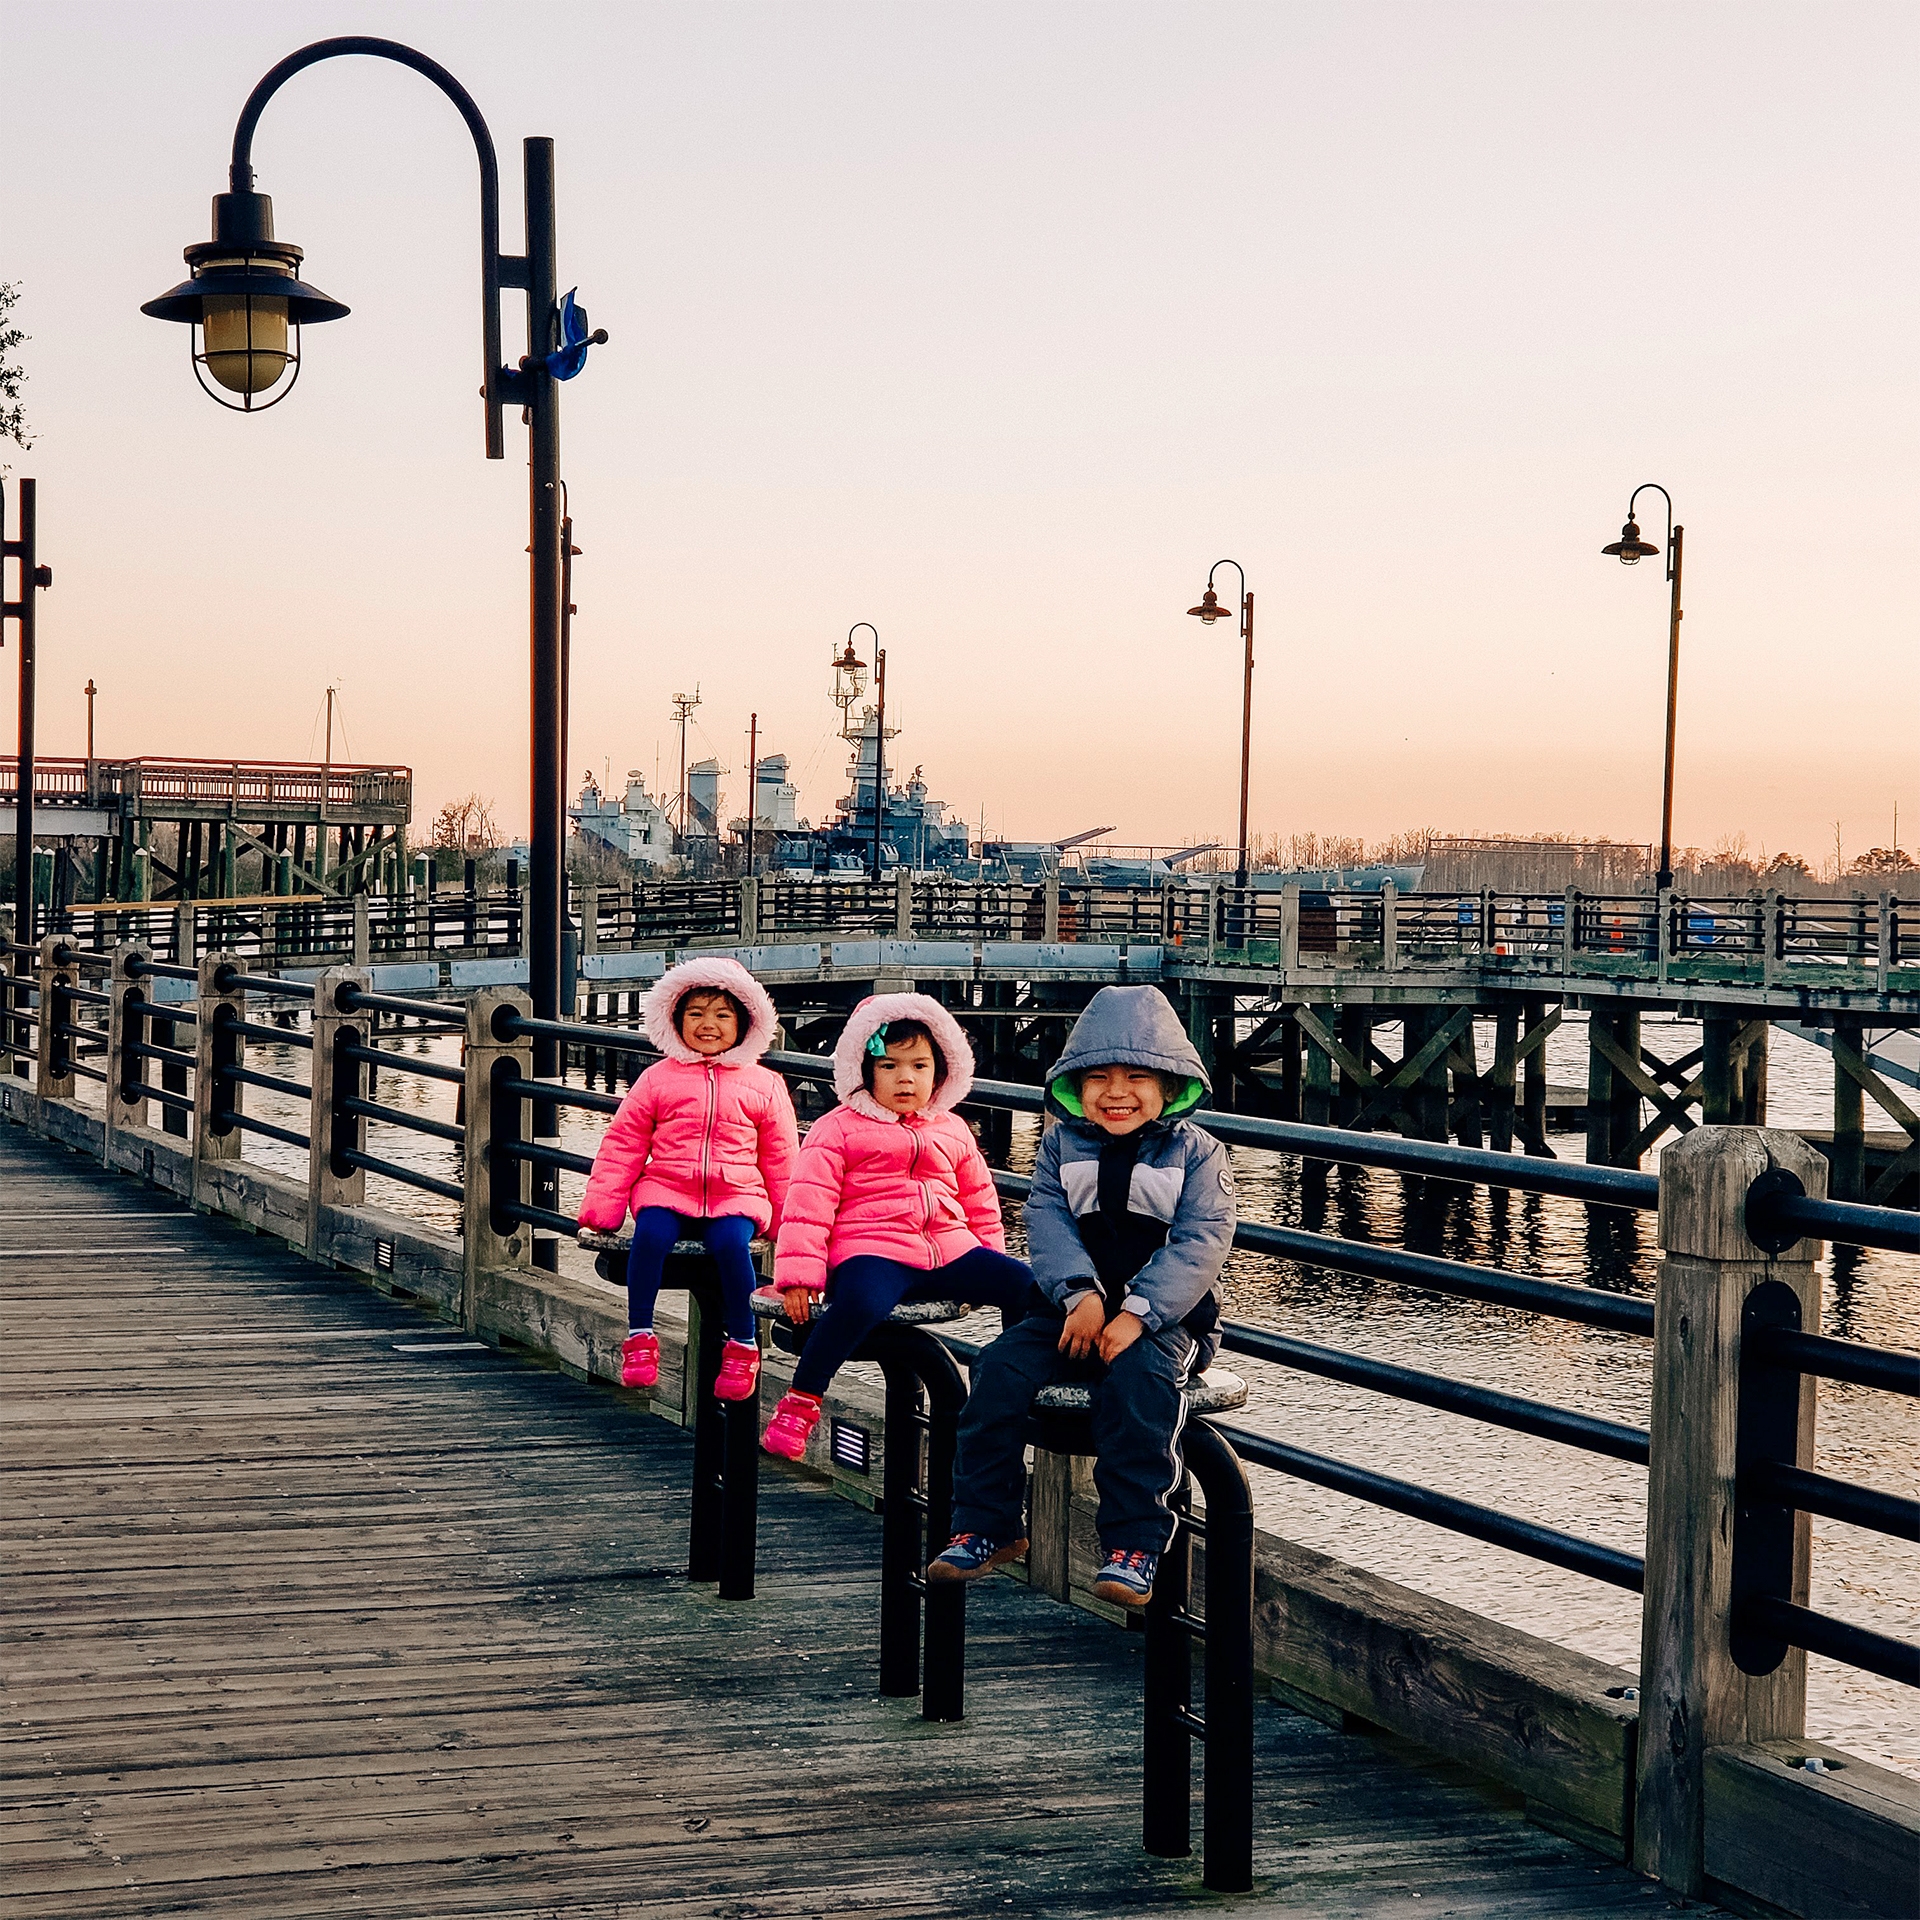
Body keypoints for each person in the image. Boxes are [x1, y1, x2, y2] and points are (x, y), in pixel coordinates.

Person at [929, 985, 1234, 1608]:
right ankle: (987, 1524)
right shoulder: (1062, 1145)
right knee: (995, 1370)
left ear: (1172, 1085)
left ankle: (1134, 1543)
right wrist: (1079, 1296)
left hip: (1164, 1324)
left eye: (1136, 1077)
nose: (1116, 1092)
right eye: (1098, 1077)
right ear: (1074, 1084)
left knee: (1140, 1390)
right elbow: (1047, 1223)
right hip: (1069, 1313)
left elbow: (1202, 1241)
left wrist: (1139, 1313)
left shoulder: (1197, 1154)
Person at [760, 993, 1032, 1460]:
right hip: (873, 1248)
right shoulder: (837, 1128)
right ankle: (801, 1400)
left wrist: (989, 1254)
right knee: (860, 1301)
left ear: (941, 1071)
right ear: (865, 1072)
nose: (905, 1078)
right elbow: (808, 1204)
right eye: (888, 1066)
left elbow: (980, 1199)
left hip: (948, 1250)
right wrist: (800, 1279)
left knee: (1026, 1286)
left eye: (919, 1066)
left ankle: (1017, 1381)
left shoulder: (952, 1128)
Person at [577, 957, 798, 1402]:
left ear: (746, 1023)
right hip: (667, 1187)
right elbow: (624, 1145)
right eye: (695, 1014)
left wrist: (788, 1228)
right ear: (675, 1020)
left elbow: (781, 1159)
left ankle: (743, 1343)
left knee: (730, 1246)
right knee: (651, 1237)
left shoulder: (765, 1084)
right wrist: (603, 1209)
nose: (708, 1025)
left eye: (722, 1015)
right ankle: (640, 1334)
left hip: (737, 1195)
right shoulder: (657, 1079)